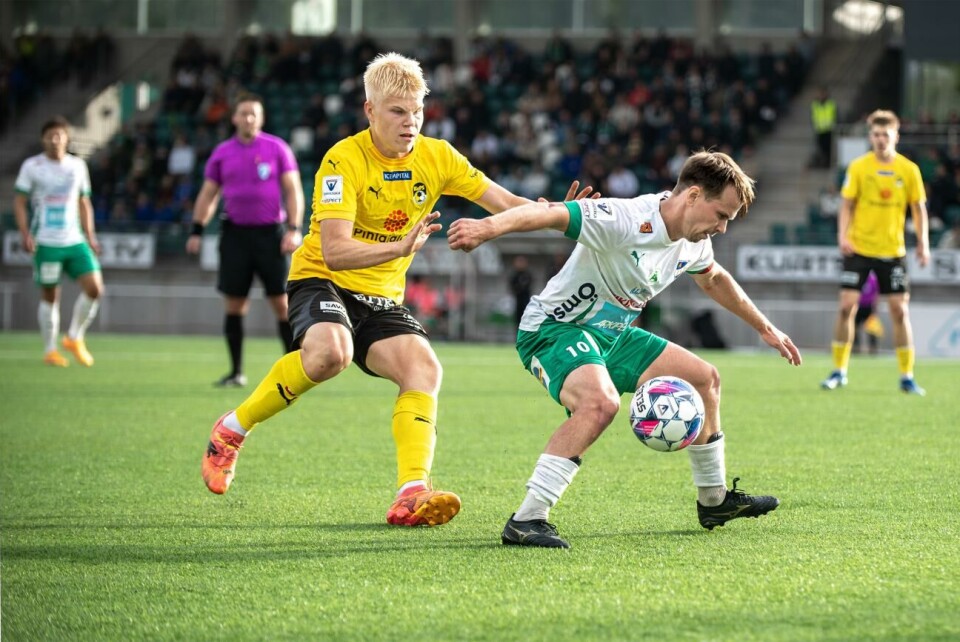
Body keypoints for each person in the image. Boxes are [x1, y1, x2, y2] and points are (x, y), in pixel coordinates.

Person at [199, 52, 597, 528]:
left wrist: (557, 216)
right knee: (330, 354)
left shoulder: (438, 156)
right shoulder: (342, 160)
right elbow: (335, 251)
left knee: (424, 368)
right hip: (321, 277)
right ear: (370, 111)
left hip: (380, 296)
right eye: (397, 111)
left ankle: (412, 492)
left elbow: (504, 202)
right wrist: (399, 245)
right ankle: (231, 431)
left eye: (417, 111)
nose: (411, 123)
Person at [447, 150, 802, 548]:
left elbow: (714, 277)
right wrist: (486, 229)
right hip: (555, 328)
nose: (721, 228)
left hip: (611, 334)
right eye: (721, 215)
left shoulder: (692, 243)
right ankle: (528, 518)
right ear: (694, 196)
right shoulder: (626, 219)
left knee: (705, 379)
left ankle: (714, 500)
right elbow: (545, 215)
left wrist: (765, 327)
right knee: (601, 404)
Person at [186, 93, 305, 387]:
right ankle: (236, 372)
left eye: (254, 113)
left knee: (281, 303)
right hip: (235, 235)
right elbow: (208, 194)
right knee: (235, 304)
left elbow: (293, 190)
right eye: (243, 113)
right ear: (234, 117)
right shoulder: (222, 153)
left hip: (271, 235)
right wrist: (197, 230)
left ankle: (297, 374)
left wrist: (293, 227)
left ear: (261, 118)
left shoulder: (277, 148)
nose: (248, 118)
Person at [821, 110, 929, 395]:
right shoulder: (859, 167)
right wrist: (842, 236)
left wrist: (923, 243)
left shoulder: (909, 170)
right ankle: (839, 371)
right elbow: (847, 205)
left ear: (896, 136)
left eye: (886, 134)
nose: (881, 140)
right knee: (846, 307)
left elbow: (918, 208)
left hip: (893, 251)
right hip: (859, 248)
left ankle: (907, 375)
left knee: (899, 311)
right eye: (876, 135)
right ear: (871, 137)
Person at [13, 116, 104, 368]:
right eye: (50, 135)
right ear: (43, 138)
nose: (55, 140)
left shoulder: (77, 166)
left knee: (95, 288)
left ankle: (74, 337)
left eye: (59, 135)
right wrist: (24, 233)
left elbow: (83, 203)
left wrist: (91, 237)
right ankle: (50, 349)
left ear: (67, 138)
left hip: (74, 240)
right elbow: (19, 202)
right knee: (51, 296)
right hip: (46, 242)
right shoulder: (32, 166)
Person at [852, 271, 882, 355]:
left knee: (872, 329)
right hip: (858, 306)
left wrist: (875, 306)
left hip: (869, 307)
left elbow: (877, 294)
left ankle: (873, 349)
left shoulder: (873, 280)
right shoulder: (859, 277)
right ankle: (856, 348)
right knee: (854, 327)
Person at [810, 87, 836, 168]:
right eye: (820, 94)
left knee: (828, 148)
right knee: (821, 148)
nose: (821, 95)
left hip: (828, 130)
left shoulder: (831, 104)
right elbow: (813, 116)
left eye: (823, 94)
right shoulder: (815, 104)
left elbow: (835, 115)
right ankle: (823, 163)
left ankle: (827, 163)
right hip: (819, 130)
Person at [508, 255, 533, 327]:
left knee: (526, 319)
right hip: (517, 300)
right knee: (517, 320)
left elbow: (527, 286)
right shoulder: (514, 275)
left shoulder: (527, 275)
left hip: (526, 301)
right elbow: (513, 287)